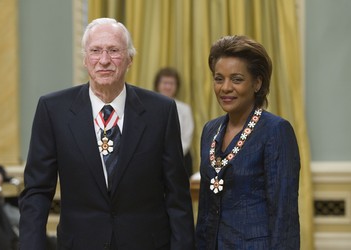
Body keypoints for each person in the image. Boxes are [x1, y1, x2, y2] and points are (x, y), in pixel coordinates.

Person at [19, 17, 195, 249]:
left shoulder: (161, 111)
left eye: (113, 51)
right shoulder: (53, 110)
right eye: (95, 51)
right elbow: (37, 191)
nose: (104, 60)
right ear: (84, 59)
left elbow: (177, 195)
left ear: (130, 59)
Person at [195, 35, 300, 249]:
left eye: (236, 79)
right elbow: (206, 208)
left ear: (257, 83)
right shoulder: (210, 130)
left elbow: (284, 216)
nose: (225, 88)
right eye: (218, 78)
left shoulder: (275, 131)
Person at [153, 67, 195, 177]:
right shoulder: (149, 107)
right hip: (153, 160)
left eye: (171, 83)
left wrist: (171, 157)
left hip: (180, 160)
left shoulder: (185, 109)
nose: (168, 87)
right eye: (165, 83)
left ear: (177, 86)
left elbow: (186, 138)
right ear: (157, 85)